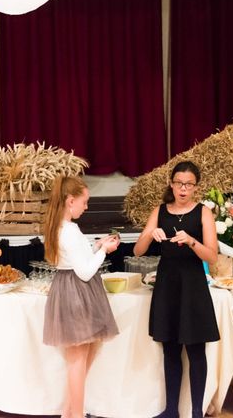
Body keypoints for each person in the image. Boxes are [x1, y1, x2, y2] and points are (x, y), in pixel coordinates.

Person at [133, 161, 219, 418]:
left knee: (195, 349)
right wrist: (151, 234)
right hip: (167, 284)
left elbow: (212, 257)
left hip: (193, 286)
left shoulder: (203, 212)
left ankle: (195, 412)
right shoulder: (159, 210)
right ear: (171, 184)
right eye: (179, 183)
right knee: (170, 347)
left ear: (196, 187)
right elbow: (138, 251)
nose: (183, 189)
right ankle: (171, 410)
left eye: (189, 184)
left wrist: (192, 241)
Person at [43, 175, 120, 418]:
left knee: (85, 354)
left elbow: (79, 259)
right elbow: (86, 272)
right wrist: (105, 251)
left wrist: (96, 246)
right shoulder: (68, 230)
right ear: (70, 201)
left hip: (72, 289)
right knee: (77, 360)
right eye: (84, 202)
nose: (86, 207)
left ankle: (70, 411)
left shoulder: (63, 227)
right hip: (77, 291)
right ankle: (75, 414)